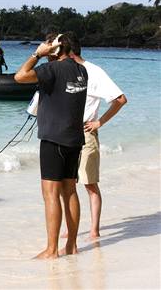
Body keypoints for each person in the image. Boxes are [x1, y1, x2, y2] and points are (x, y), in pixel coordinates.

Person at [14, 33, 88, 259]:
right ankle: (72, 245)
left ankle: (52, 250)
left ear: (54, 49)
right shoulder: (81, 70)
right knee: (70, 191)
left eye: (48, 46)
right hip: (74, 139)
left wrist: (37, 54)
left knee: (51, 195)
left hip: (54, 139)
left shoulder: (52, 69)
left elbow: (20, 76)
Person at [60, 32, 128, 240]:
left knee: (89, 183)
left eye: (60, 53)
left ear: (70, 53)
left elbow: (120, 99)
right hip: (63, 133)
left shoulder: (94, 71)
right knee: (65, 184)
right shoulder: (63, 71)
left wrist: (100, 122)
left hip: (85, 132)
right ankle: (69, 228)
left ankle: (94, 229)